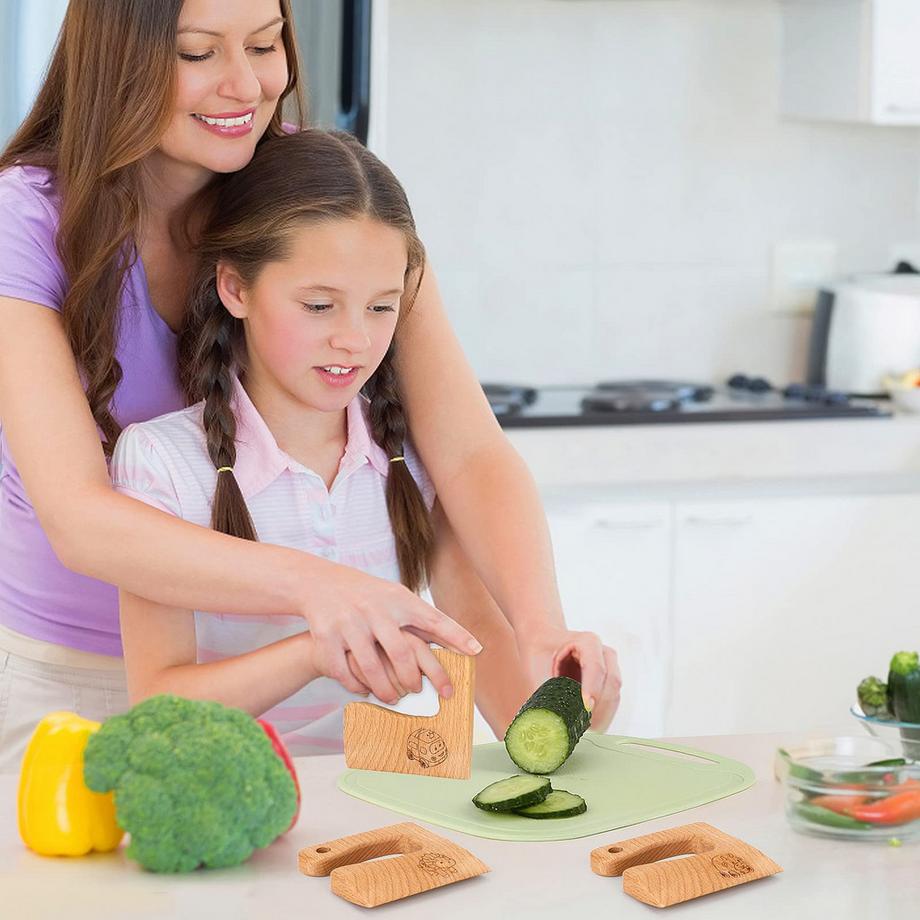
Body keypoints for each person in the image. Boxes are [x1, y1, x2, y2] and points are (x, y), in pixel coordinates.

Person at [0, 0, 620, 771]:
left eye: (265, 46)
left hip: (286, 686)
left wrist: (539, 629)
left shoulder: (308, 186)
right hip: (75, 683)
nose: (244, 86)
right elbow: (81, 520)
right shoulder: (27, 221)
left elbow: (465, 451)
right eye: (198, 53)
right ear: (119, 58)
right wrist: (326, 590)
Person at [111, 128, 534, 752]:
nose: (355, 341)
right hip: (238, 805)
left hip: (384, 795)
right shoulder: (162, 463)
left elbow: (480, 639)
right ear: (235, 288)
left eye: (381, 308)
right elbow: (158, 704)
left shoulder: (414, 458)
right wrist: (316, 649)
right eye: (318, 306)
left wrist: (566, 710)